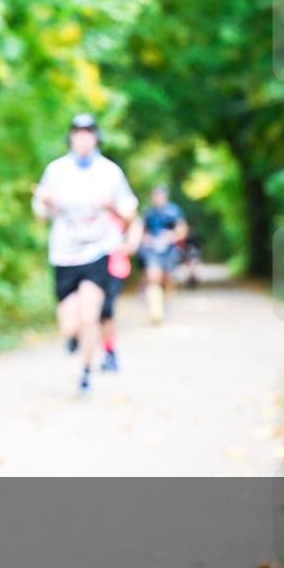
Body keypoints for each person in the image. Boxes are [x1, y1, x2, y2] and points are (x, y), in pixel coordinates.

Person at [32, 114, 138, 396]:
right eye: (78, 133)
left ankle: (85, 374)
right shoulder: (56, 171)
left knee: (91, 315)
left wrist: (112, 207)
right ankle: (73, 338)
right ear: (71, 137)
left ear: (96, 138)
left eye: (88, 133)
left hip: (97, 252)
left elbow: (129, 213)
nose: (83, 138)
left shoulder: (110, 172)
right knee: (70, 325)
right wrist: (45, 203)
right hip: (64, 255)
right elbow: (40, 214)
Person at [100, 211, 143, 372]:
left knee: (105, 311)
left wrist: (132, 244)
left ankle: (109, 352)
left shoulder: (114, 198)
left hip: (114, 265)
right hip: (82, 263)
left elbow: (135, 220)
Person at [138, 185, 188, 323]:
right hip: (153, 250)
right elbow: (142, 231)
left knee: (168, 280)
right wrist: (145, 239)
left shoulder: (174, 210)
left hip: (169, 250)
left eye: (159, 195)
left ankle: (165, 305)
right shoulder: (148, 212)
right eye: (155, 195)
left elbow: (182, 229)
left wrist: (171, 236)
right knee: (153, 277)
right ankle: (155, 309)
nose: (157, 198)